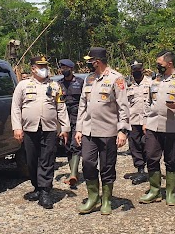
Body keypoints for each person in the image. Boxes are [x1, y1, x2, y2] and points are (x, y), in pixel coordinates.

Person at [74, 47, 130, 215]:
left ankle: (106, 199)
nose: (88, 64)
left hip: (108, 131)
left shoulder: (116, 78)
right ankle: (93, 197)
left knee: (107, 166)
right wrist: (79, 129)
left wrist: (122, 131)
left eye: (89, 61)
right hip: (89, 131)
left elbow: (123, 106)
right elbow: (82, 105)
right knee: (88, 163)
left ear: (97, 62)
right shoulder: (89, 79)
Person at [11, 56, 70, 209]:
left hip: (49, 129)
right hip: (30, 129)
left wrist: (65, 128)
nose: (44, 68)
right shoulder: (23, 85)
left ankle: (45, 191)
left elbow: (61, 108)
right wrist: (17, 127)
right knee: (31, 160)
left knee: (47, 159)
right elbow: (16, 107)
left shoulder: (54, 85)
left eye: (45, 66)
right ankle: (37, 187)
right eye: (40, 66)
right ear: (33, 68)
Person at [140, 51, 175, 205]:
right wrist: (145, 121)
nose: (158, 66)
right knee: (151, 156)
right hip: (153, 126)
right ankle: (154, 191)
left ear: (169, 64)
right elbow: (148, 102)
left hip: (173, 127)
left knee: (171, 160)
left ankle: (170, 192)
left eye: (160, 64)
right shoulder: (155, 80)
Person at [57, 58, 84, 187]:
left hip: (77, 117)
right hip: (63, 118)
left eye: (65, 68)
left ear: (71, 69)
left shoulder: (80, 82)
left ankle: (73, 174)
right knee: (67, 145)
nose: (63, 70)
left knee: (75, 145)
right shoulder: (58, 84)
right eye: (62, 68)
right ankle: (73, 172)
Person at [125, 60, 152, 185]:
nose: (136, 73)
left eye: (138, 70)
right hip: (133, 120)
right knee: (134, 146)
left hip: (149, 120)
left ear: (142, 70)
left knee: (148, 145)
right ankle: (140, 170)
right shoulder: (127, 84)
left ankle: (151, 170)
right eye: (134, 71)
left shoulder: (151, 83)